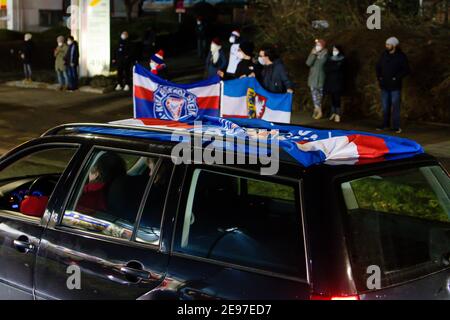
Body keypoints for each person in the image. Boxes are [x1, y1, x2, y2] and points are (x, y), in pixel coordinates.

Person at [376, 37, 410, 134]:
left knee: (395, 106)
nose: (387, 46)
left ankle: (396, 126)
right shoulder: (384, 55)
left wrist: (396, 78)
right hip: (384, 85)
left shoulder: (401, 56)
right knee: (385, 106)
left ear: (394, 45)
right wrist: (379, 78)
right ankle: (385, 124)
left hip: (395, 86)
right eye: (386, 44)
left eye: (389, 44)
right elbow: (378, 67)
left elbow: (406, 70)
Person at [306, 39, 328, 120]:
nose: (317, 46)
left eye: (319, 45)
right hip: (313, 79)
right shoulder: (313, 53)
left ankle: (317, 110)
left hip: (321, 79)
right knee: (314, 96)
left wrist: (318, 55)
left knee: (320, 96)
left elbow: (322, 64)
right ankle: (318, 111)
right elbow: (308, 63)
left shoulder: (325, 54)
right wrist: (313, 54)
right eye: (317, 45)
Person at [324, 45, 346, 123]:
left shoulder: (343, 59)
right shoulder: (329, 58)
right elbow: (326, 68)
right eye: (333, 49)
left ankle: (338, 114)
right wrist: (333, 67)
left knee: (337, 98)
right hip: (330, 81)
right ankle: (333, 112)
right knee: (332, 97)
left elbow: (341, 69)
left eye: (336, 49)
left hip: (338, 81)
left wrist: (333, 68)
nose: (334, 51)